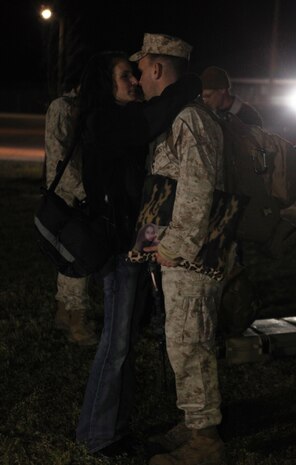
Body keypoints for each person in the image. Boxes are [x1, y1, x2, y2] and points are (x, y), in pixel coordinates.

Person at [75, 51, 202, 456]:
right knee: (116, 343)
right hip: (119, 250)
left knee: (123, 338)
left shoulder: (112, 119)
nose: (134, 82)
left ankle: (106, 428)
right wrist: (188, 83)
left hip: (131, 242)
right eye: (125, 76)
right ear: (106, 84)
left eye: (135, 74)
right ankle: (99, 435)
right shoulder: (107, 121)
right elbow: (150, 120)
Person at [129, 33, 226, 465]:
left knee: (191, 343)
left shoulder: (190, 118)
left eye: (141, 69)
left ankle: (205, 442)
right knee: (182, 341)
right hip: (179, 253)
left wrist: (176, 245)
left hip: (192, 257)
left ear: (156, 68)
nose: (138, 79)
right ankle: (192, 423)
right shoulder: (183, 116)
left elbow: (198, 187)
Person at [45, 80, 98, 346]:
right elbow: (60, 159)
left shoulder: (81, 108)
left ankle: (63, 314)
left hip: (73, 196)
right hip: (68, 198)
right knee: (78, 259)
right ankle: (77, 321)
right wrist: (84, 193)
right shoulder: (62, 108)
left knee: (69, 258)